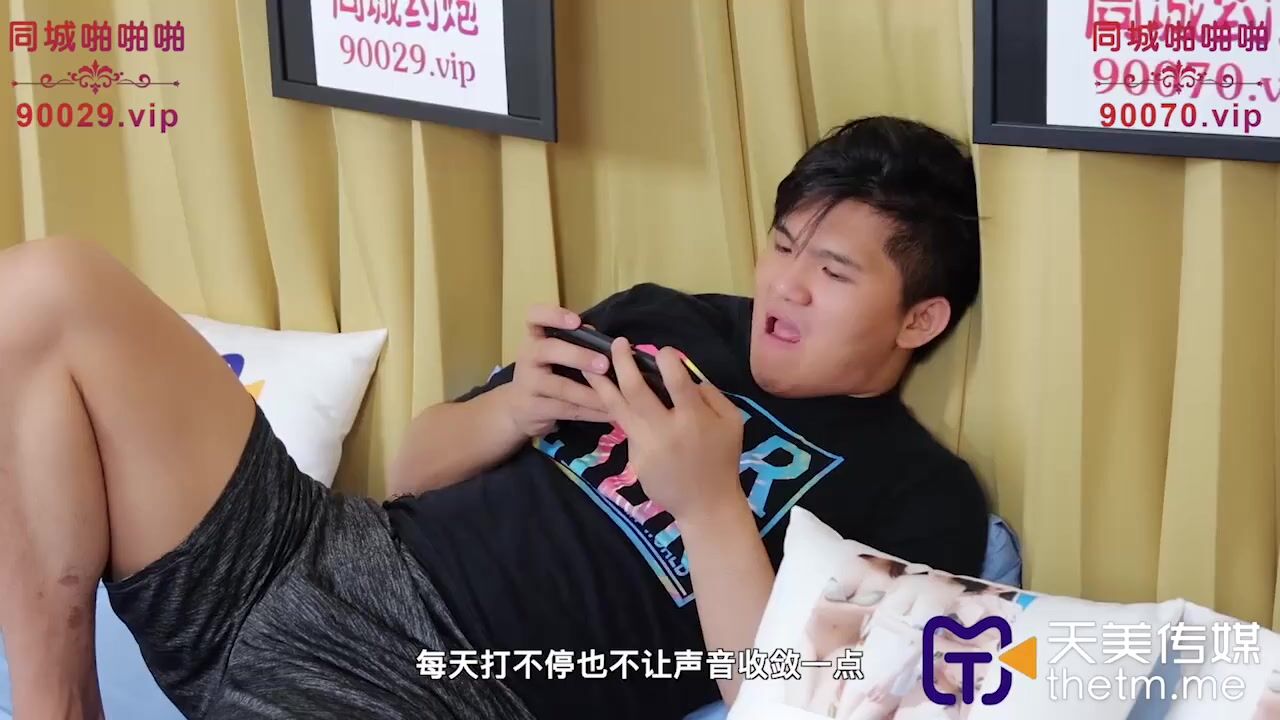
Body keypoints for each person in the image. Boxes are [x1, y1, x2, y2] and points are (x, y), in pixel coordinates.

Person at [0, 115, 988, 720]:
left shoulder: (918, 497)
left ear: (920, 318)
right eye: (781, 246)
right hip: (311, 549)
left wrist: (708, 505)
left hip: (444, 690)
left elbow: (783, 699)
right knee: (42, 290)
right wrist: (514, 408)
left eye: (832, 272)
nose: (784, 286)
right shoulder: (664, 320)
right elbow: (410, 470)